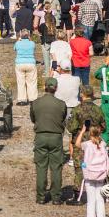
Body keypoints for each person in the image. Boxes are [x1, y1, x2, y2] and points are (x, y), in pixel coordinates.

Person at [32, 76, 69, 206]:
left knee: (41, 167)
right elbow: (63, 118)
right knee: (56, 168)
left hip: (41, 136)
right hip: (56, 137)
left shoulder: (36, 103)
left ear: (44, 87)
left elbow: (33, 118)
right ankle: (56, 197)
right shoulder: (61, 104)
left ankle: (41, 197)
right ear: (56, 88)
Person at [67, 86, 105, 192]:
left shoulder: (77, 109)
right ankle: (97, 187)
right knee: (95, 163)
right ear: (92, 95)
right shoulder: (98, 109)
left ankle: (78, 192)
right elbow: (104, 126)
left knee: (79, 166)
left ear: (82, 94)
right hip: (94, 140)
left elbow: (71, 127)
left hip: (80, 139)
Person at [78, 125, 109, 217]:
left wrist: (82, 131)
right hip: (101, 175)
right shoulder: (103, 144)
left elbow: (77, 144)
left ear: (90, 134)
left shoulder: (87, 144)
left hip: (89, 175)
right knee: (100, 199)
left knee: (91, 201)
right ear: (99, 133)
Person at [14, 29, 39, 105]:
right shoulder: (32, 43)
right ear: (28, 35)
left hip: (19, 63)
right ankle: (33, 99)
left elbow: (14, 49)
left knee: (21, 82)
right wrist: (30, 39)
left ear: (21, 35)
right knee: (32, 82)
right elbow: (34, 49)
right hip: (30, 63)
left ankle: (22, 99)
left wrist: (19, 40)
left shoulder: (18, 43)